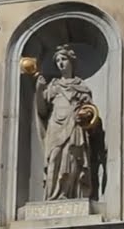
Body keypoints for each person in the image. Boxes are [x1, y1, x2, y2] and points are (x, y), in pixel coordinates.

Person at [34, 44, 98, 200]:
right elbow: (42, 110)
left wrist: (84, 114)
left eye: (64, 59)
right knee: (54, 157)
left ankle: (69, 194)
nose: (61, 63)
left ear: (71, 62)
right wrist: (39, 89)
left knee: (72, 158)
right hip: (56, 125)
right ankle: (52, 195)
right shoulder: (54, 86)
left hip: (74, 124)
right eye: (58, 61)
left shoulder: (81, 87)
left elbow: (90, 111)